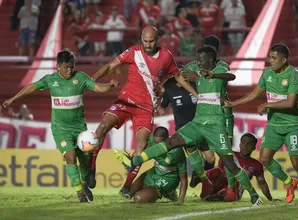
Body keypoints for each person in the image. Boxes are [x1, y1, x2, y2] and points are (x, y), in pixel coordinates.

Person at [114, 46, 263, 206]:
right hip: (198, 122)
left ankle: (253, 194)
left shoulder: (221, 67)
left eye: (201, 60)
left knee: (230, 164)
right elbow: (176, 75)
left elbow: (231, 76)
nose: (197, 63)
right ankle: (135, 161)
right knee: (171, 142)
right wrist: (162, 87)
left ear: (211, 60)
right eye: (197, 59)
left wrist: (209, 75)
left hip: (215, 124)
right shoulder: (193, 67)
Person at [88, 26, 198, 198]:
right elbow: (110, 65)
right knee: (101, 128)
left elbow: (177, 77)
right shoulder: (133, 51)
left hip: (146, 108)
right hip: (125, 101)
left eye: (151, 41)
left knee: (141, 146)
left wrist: (196, 94)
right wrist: (92, 80)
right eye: (145, 41)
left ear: (157, 39)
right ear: (141, 38)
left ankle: (126, 186)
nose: (147, 44)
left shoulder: (166, 56)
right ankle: (92, 168)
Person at [2, 49, 118, 203]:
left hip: (79, 128)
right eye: (66, 68)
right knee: (70, 157)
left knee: (84, 160)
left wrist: (109, 86)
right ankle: (80, 194)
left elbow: (97, 87)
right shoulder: (51, 80)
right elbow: (32, 87)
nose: (70, 70)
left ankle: (84, 184)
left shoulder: (81, 77)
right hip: (60, 128)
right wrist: (14, 99)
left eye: (72, 66)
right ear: (58, 67)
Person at [224, 43, 298, 207]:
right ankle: (289, 182)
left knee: (296, 162)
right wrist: (233, 104)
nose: (271, 61)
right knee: (264, 158)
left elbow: (290, 102)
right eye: (270, 57)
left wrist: (267, 105)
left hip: (291, 125)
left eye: (274, 58)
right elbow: (254, 94)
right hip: (274, 125)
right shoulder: (267, 73)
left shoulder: (293, 75)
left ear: (284, 59)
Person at [181, 35, 234, 193]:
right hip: (209, 113)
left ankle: (208, 180)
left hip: (218, 110)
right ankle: (215, 184)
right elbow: (179, 76)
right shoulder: (198, 65)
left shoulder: (221, 66)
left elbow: (227, 77)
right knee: (222, 154)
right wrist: (196, 94)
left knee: (214, 157)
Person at [202, 133, 274, 202]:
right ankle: (200, 176)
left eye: (249, 144)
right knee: (217, 171)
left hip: (234, 192)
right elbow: (217, 174)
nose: (245, 146)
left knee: (237, 182)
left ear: (254, 147)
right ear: (239, 144)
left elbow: (262, 183)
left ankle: (220, 196)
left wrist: (270, 198)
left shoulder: (256, 165)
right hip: (216, 186)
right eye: (243, 142)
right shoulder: (229, 155)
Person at [129, 126, 188, 204]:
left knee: (138, 198)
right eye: (155, 142)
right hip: (154, 172)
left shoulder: (176, 151)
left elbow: (184, 177)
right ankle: (157, 192)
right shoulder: (151, 140)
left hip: (168, 179)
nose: (156, 146)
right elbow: (144, 153)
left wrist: (181, 199)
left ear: (167, 141)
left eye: (159, 143)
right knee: (130, 192)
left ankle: (167, 191)